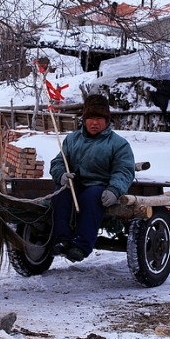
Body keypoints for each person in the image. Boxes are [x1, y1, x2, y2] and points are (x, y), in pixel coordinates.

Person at [49, 94, 135, 262]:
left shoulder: (118, 144)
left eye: (99, 118)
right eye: (91, 118)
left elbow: (124, 170)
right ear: (84, 119)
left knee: (90, 198)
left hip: (100, 185)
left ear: (107, 120)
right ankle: (62, 240)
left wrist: (114, 190)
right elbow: (59, 162)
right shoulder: (72, 139)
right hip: (76, 184)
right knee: (60, 193)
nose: (95, 123)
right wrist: (62, 175)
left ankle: (81, 245)